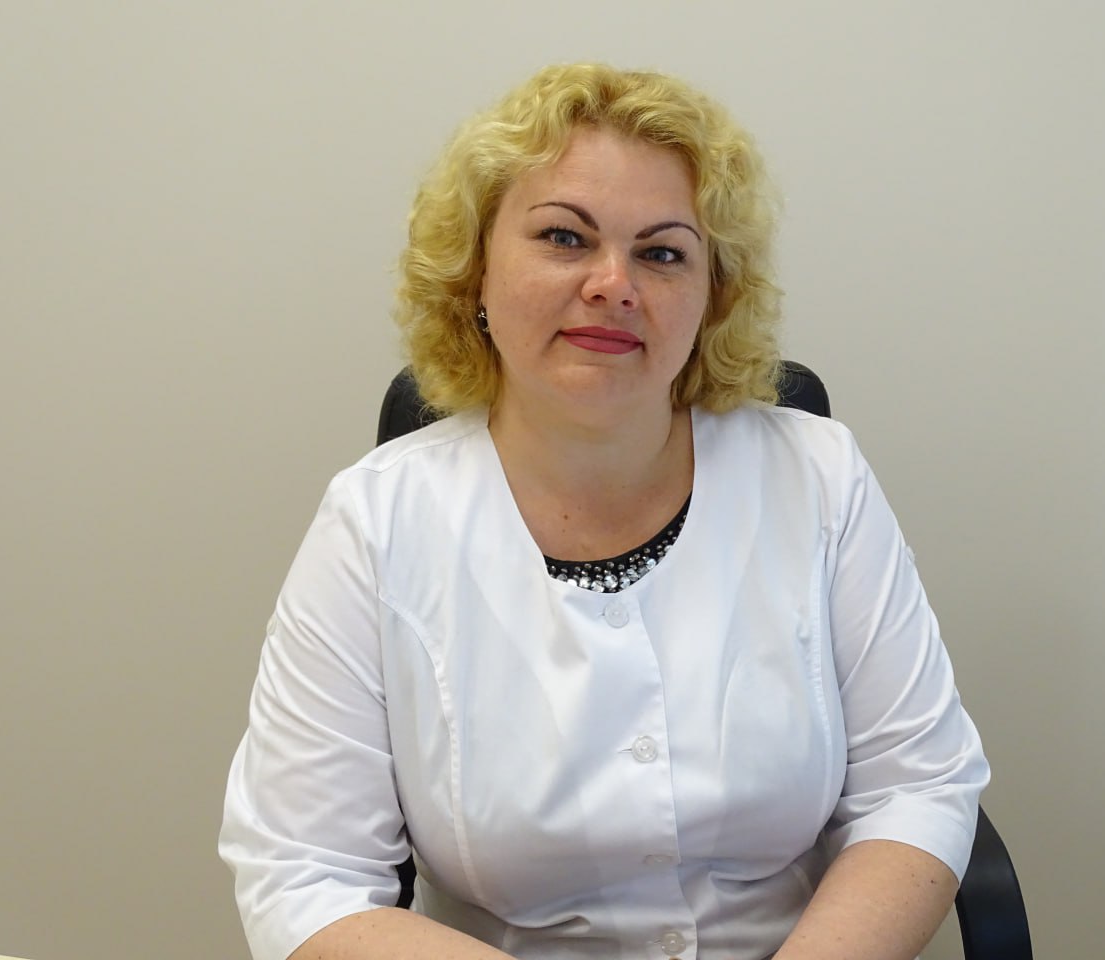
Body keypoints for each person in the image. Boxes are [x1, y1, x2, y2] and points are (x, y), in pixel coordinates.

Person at [220, 62, 989, 960]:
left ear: (711, 299)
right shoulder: (375, 522)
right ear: (475, 273)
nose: (613, 283)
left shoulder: (819, 476)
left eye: (662, 253)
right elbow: (302, 873)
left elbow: (917, 785)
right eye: (564, 237)